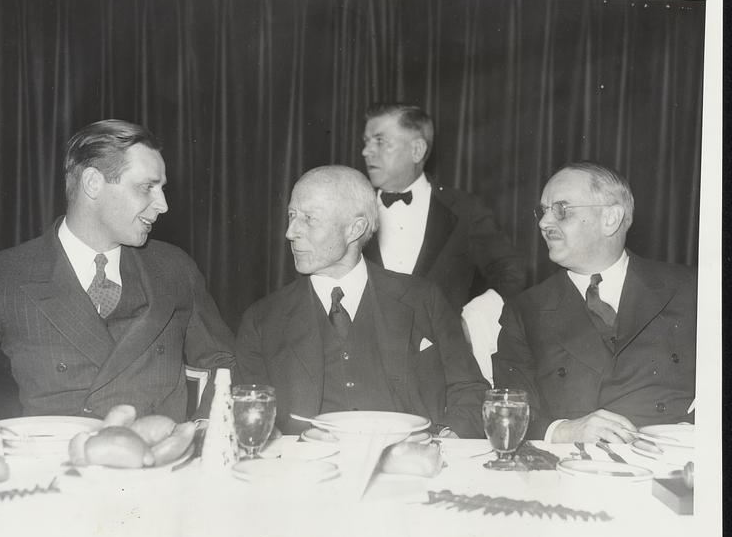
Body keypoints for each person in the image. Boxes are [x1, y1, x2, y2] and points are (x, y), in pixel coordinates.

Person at [0, 119, 236, 422]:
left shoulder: (175, 267)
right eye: (147, 188)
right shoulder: (0, 277)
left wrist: (203, 434)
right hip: (57, 461)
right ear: (93, 183)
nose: (163, 205)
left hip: (157, 460)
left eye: (161, 189)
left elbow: (223, 362)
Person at [235, 165, 489, 437]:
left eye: (309, 218)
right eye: (291, 215)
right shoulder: (263, 319)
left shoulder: (423, 299)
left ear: (355, 228)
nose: (290, 232)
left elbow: (470, 390)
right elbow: (244, 411)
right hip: (307, 471)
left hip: (409, 469)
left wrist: (448, 436)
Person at [492, 162, 697, 443]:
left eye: (561, 210)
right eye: (543, 211)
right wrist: (564, 431)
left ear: (611, 218)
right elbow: (507, 410)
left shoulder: (692, 288)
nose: (543, 223)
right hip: (575, 469)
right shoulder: (525, 311)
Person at [361, 102, 526, 313]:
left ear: (417, 150)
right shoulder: (351, 209)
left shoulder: (465, 209)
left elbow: (512, 271)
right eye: (366, 142)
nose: (366, 151)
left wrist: (476, 319)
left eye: (380, 141)